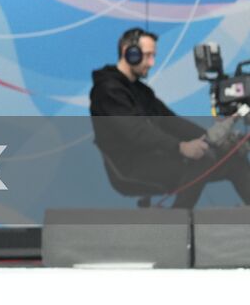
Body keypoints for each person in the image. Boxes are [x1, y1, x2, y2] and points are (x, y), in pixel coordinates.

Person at [91, 28, 250, 208]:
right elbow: (136, 132)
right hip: (131, 167)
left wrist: (212, 140)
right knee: (202, 160)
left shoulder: (140, 91)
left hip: (158, 155)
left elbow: (170, 121)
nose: (152, 63)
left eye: (154, 56)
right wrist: (180, 147)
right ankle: (175, 228)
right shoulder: (107, 90)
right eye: (148, 55)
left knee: (233, 160)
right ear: (130, 52)